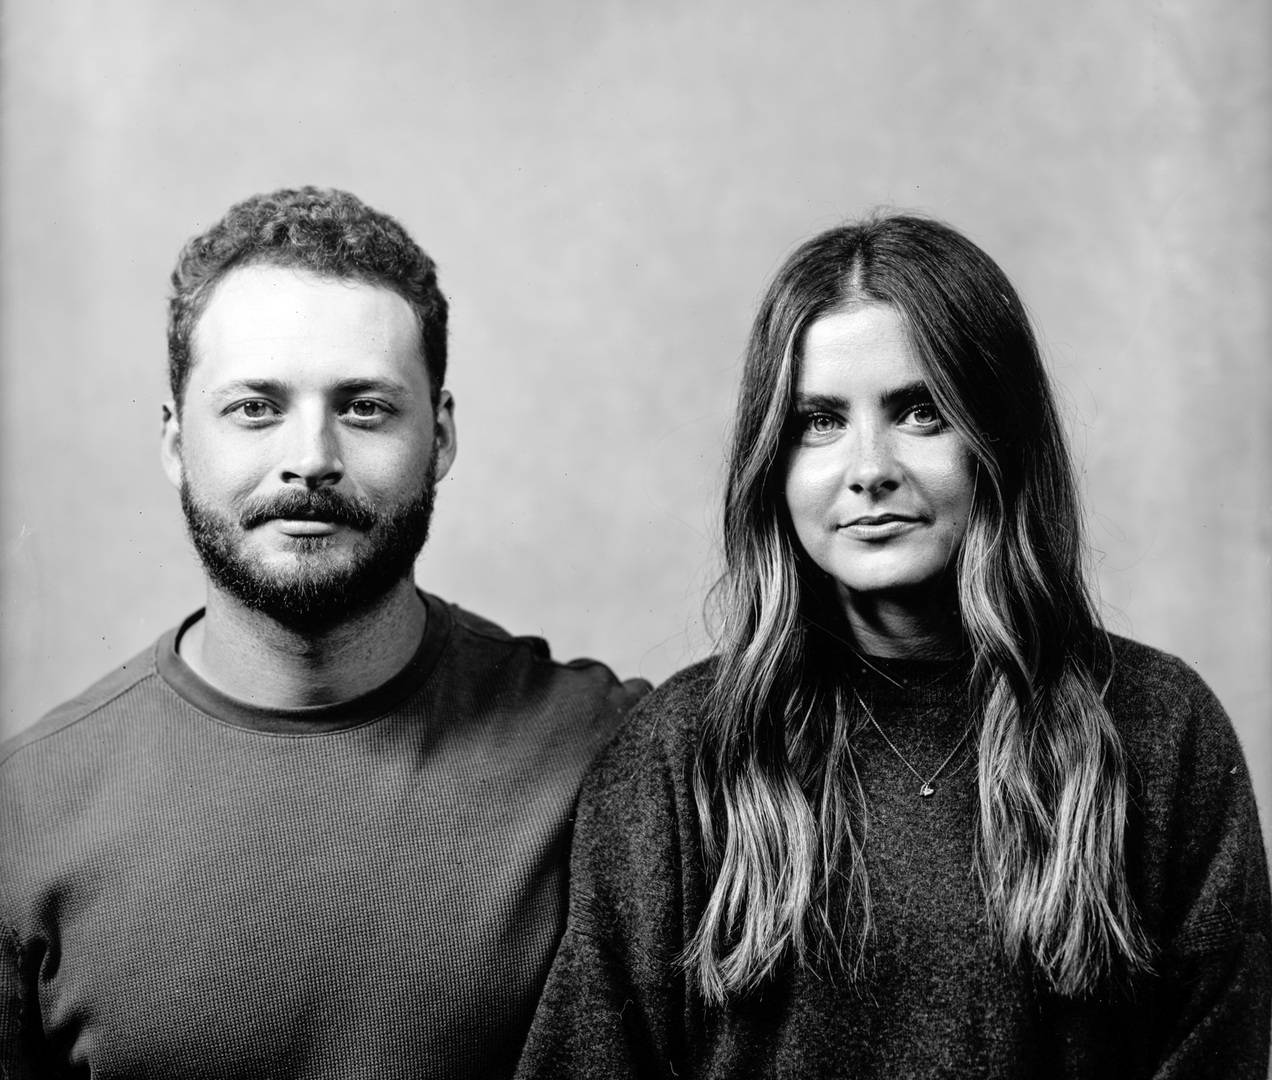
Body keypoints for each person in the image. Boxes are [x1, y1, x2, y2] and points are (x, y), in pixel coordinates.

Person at [515, 214, 1272, 1078]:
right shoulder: (677, 753)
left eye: (920, 411)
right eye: (820, 421)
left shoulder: (1159, 729)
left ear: (997, 439)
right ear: (774, 463)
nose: (868, 467)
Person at [0, 186, 646, 1078]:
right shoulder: (22, 816)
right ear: (175, 440)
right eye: (255, 408)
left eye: (366, 407)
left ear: (442, 434)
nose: (312, 457)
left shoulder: (608, 755)